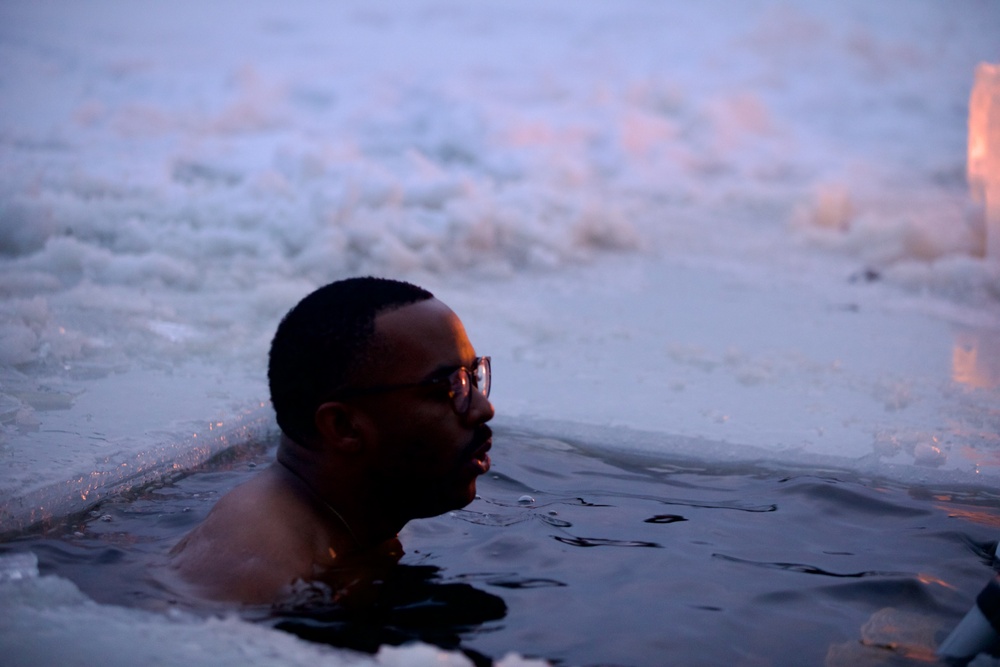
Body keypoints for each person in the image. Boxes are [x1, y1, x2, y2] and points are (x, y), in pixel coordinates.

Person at [167, 277, 495, 605]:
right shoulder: (255, 583)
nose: (484, 408)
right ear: (343, 427)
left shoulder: (345, 520)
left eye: (472, 376)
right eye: (449, 388)